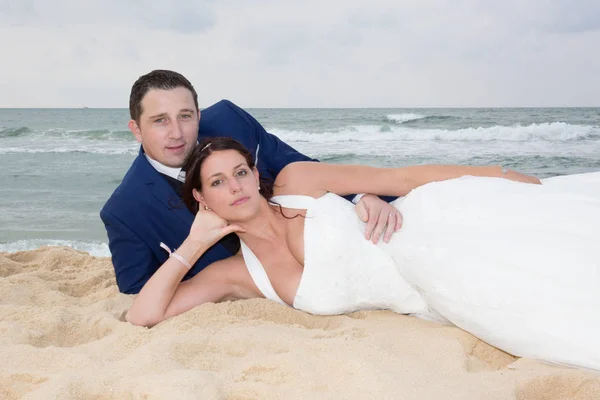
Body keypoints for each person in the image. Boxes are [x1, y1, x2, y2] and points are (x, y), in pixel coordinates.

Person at [127, 137, 600, 372]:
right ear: (202, 202)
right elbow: (142, 316)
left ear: (255, 174)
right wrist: (193, 244)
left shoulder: (297, 182)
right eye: (217, 182)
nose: (236, 186)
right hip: (425, 301)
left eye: (241, 171)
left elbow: (399, 180)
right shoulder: (236, 275)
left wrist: (494, 173)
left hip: (437, 227)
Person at [100, 70, 401, 294]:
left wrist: (359, 196)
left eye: (185, 116)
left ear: (199, 115)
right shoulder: (124, 210)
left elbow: (294, 164)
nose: (177, 132)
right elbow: (136, 290)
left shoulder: (230, 121)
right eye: (160, 120)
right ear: (136, 129)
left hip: (330, 240)